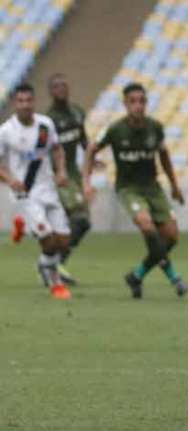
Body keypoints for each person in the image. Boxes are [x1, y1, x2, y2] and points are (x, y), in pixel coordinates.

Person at [82, 82, 187, 298]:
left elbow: (164, 156)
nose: (138, 105)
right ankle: (173, 277)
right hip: (128, 188)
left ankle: (137, 275)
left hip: (153, 187)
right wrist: (86, 181)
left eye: (142, 101)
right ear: (125, 104)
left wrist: (175, 186)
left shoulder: (155, 128)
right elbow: (92, 148)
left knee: (171, 237)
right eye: (133, 101)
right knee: (147, 226)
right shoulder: (115, 129)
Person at [0, 83, 71, 299]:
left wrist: (61, 172)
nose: (25, 105)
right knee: (48, 240)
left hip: (48, 188)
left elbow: (57, 149)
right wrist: (10, 180)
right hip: (25, 193)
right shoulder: (6, 131)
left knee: (63, 242)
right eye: (20, 101)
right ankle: (55, 283)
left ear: (34, 101)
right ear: (15, 104)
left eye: (28, 100)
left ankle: (42, 261)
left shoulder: (45, 125)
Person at [46, 73, 91, 284]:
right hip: (57, 176)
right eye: (56, 86)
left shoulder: (77, 113)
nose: (61, 89)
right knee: (80, 220)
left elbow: (83, 139)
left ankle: (51, 265)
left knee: (73, 224)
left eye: (63, 85)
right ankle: (56, 264)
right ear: (50, 92)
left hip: (73, 173)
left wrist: (92, 160)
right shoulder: (48, 120)